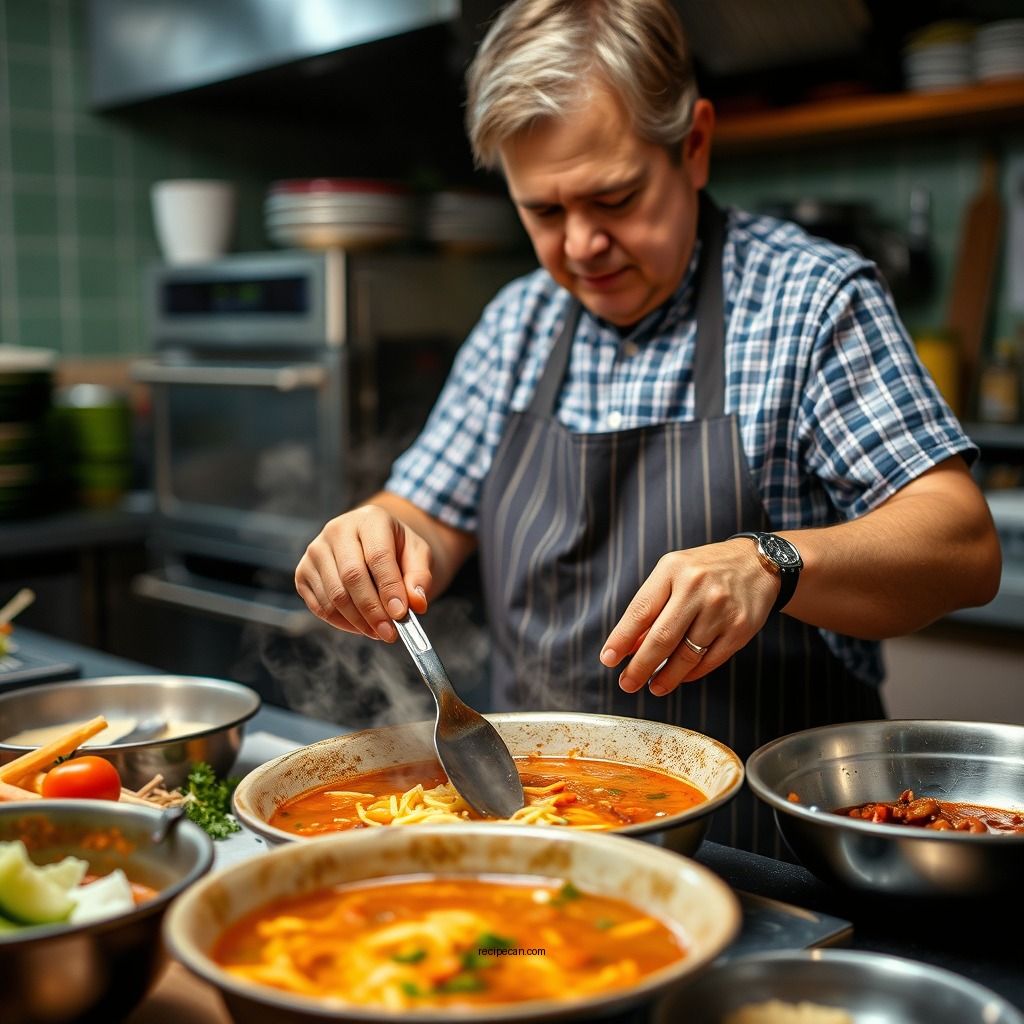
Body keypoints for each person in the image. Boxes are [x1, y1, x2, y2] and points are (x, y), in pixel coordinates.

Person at [295, 0, 1002, 854]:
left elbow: (962, 546)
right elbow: (424, 522)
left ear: (694, 145)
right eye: (544, 213)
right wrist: (374, 540)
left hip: (758, 858)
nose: (583, 245)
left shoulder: (812, 301)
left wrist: (773, 561)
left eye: (615, 197)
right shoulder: (517, 321)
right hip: (533, 827)